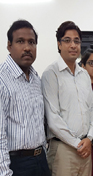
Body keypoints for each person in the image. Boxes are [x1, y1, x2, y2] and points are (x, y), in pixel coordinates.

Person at [41, 21, 93, 176]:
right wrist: (77, 144)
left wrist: (90, 138)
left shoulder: (84, 75)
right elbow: (53, 119)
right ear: (59, 44)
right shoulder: (51, 74)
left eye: (76, 41)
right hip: (63, 149)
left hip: (85, 148)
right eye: (67, 40)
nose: (73, 45)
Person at [0, 20, 50, 176]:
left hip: (40, 160)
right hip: (17, 164)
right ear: (9, 45)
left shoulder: (36, 79)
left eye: (32, 42)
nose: (27, 47)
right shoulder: (2, 80)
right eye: (20, 41)